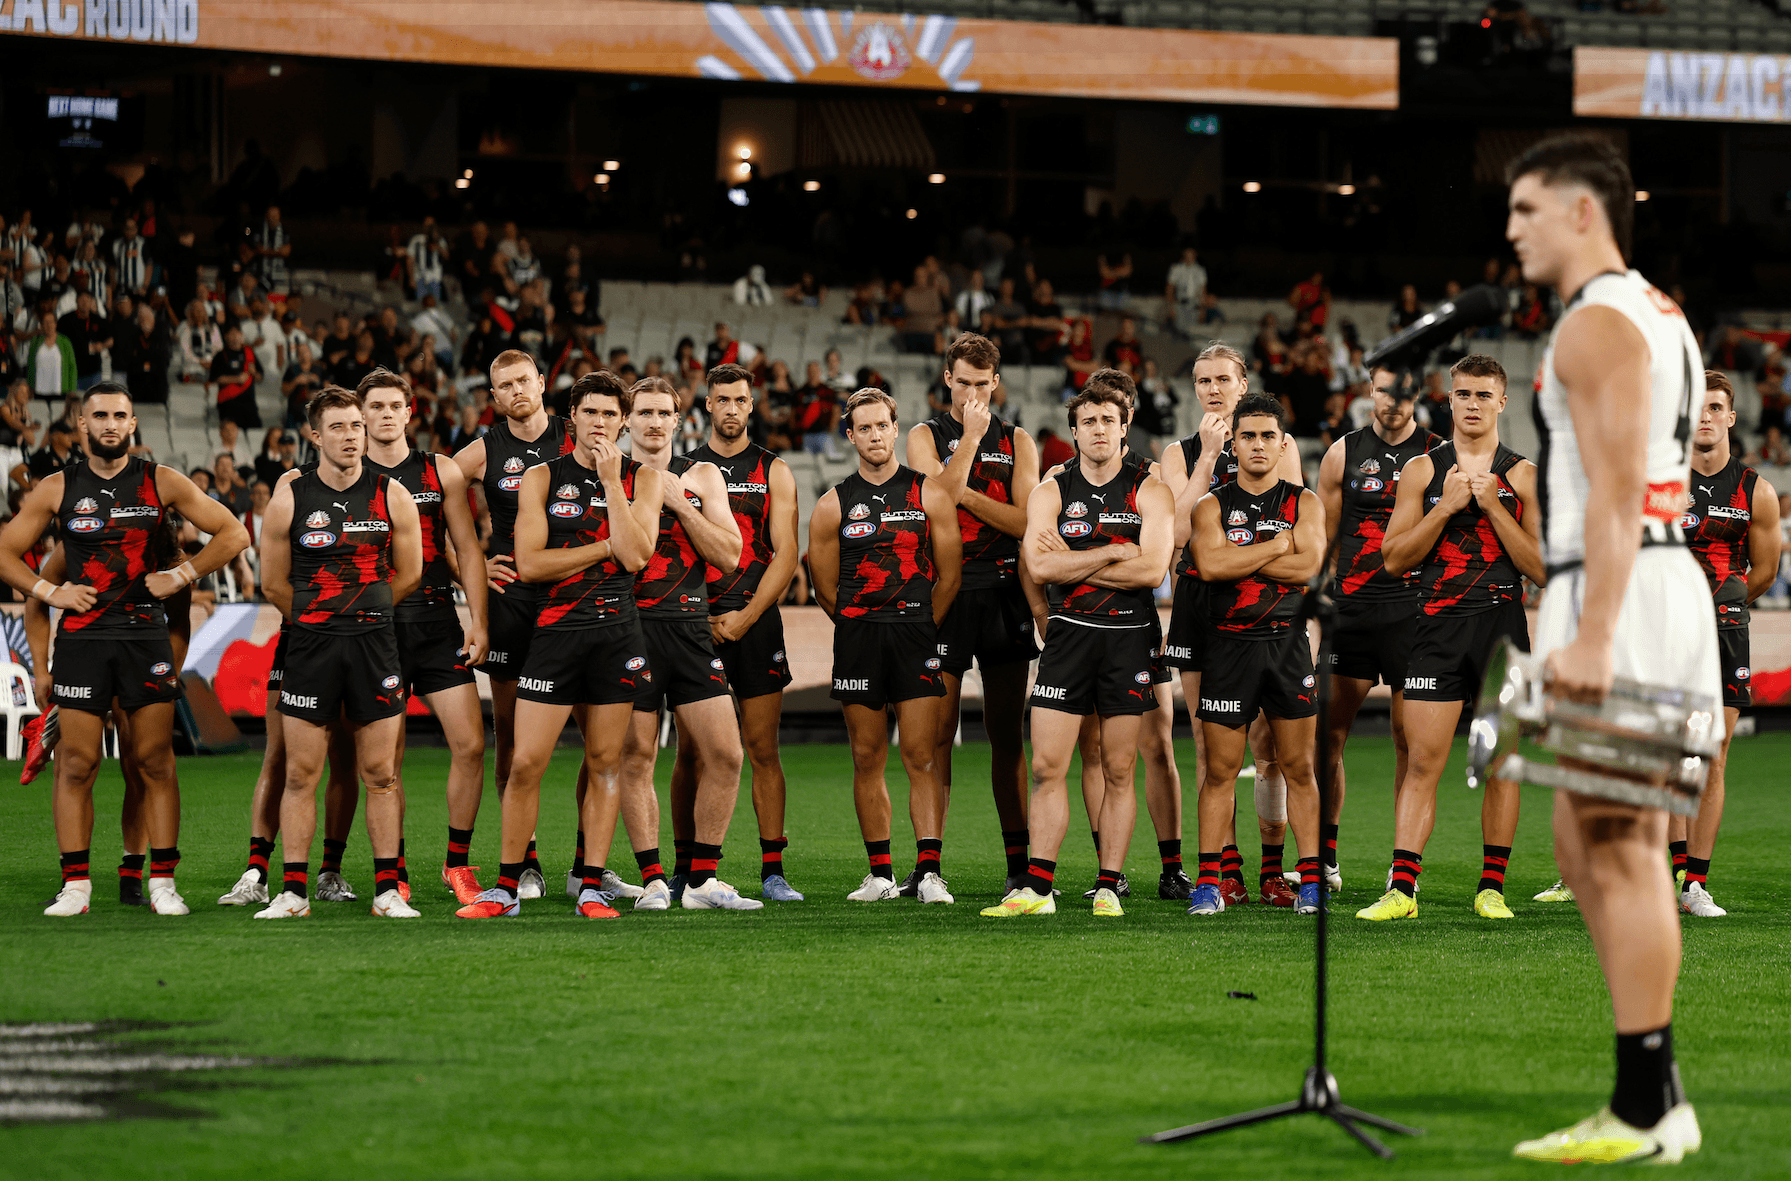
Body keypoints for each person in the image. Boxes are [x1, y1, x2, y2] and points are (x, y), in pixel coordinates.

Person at [1499, 132, 1718, 1165]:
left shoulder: (1595, 323)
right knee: (1582, 847)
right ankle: (1654, 1090)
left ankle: (1646, 1107)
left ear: (1587, 211)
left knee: (1622, 851)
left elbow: (1623, 485)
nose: (1512, 231)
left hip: (1618, 594)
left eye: (1528, 210)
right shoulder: (1658, 312)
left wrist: (1589, 632)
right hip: (1637, 584)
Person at [0, 382, 249, 916]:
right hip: (83, 643)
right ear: (82, 424)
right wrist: (50, 592)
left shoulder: (162, 482)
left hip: (144, 641)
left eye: (120, 415)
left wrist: (182, 573)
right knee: (78, 763)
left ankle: (160, 883)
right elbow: (5, 553)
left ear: (134, 424)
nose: (111, 423)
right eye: (100, 416)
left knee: (153, 762)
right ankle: (76, 888)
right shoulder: (56, 488)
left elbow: (233, 534)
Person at [456, 371, 662, 920]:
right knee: (525, 763)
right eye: (590, 413)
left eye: (610, 415)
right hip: (554, 634)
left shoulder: (644, 477)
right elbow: (531, 564)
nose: (600, 423)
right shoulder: (541, 477)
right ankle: (505, 886)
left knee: (605, 763)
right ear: (573, 417)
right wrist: (602, 549)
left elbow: (638, 555)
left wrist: (613, 484)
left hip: (618, 635)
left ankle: (590, 886)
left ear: (623, 422)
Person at [983, 378, 1172, 917]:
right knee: (1046, 765)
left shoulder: (1149, 488)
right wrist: (1115, 550)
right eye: (1088, 422)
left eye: (1108, 421)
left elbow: (1154, 569)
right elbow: (1040, 567)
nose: (1098, 430)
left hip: (1129, 642)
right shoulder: (1051, 489)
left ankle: (1109, 885)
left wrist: (1078, 561)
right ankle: (1037, 889)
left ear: (1124, 426)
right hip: (1067, 638)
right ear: (1073, 431)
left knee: (1117, 768)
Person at [1366, 354, 1542, 923]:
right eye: (1462, 394)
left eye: (1482, 395)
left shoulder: (1522, 475)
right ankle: (1403, 891)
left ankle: (1491, 888)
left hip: (1501, 629)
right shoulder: (1422, 469)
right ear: (1449, 399)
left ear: (1501, 402)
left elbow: (1541, 568)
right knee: (1422, 762)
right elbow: (1393, 558)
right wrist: (1445, 507)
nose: (1471, 404)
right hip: (1436, 627)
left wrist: (1491, 504)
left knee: (1502, 762)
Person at [253, 385, 423, 919]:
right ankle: (294, 893)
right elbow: (273, 584)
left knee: (380, 773)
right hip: (311, 647)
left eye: (356, 426)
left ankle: (387, 892)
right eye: (339, 428)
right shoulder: (291, 496)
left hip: (375, 645)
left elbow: (411, 572)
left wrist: (364, 612)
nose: (351, 436)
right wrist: (321, 620)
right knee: (302, 773)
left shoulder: (392, 493)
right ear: (315, 435)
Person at [596, 376, 757, 910]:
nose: (654, 422)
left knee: (727, 755)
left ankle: (701, 882)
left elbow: (730, 556)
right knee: (637, 756)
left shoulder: (702, 475)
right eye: (643, 413)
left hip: (689, 628)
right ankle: (654, 881)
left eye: (665, 413)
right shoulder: (606, 473)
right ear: (626, 420)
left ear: (679, 420)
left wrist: (682, 506)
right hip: (627, 627)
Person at [1158, 343, 1304, 906]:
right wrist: (1208, 459)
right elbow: (1175, 531)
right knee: (1209, 745)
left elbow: (1290, 521)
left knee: (1269, 743)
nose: (1213, 389)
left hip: (1264, 600)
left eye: (1223, 379)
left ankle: (1273, 869)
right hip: (1200, 604)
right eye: (1202, 381)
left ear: (1243, 385)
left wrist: (1233, 550)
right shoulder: (1179, 451)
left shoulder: (1277, 445)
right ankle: (1226, 869)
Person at [810, 388, 962, 904]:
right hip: (858, 639)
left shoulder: (930, 494)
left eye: (883, 426)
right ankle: (879, 873)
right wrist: (860, 623)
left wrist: (918, 624)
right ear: (850, 436)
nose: (875, 436)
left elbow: (950, 576)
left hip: (915, 634)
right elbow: (824, 587)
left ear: (896, 429)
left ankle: (928, 873)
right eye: (865, 428)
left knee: (921, 756)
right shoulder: (833, 503)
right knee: (866, 754)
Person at [905, 333, 1040, 894]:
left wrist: (961, 494)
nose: (973, 396)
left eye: (983, 386)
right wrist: (970, 443)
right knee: (937, 734)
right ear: (947, 380)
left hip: (1005, 592)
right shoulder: (922, 435)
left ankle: (1019, 868)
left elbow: (1026, 523)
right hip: (944, 593)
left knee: (1007, 736)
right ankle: (930, 866)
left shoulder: (1020, 441)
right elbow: (931, 496)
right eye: (964, 384)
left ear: (996, 384)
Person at [1183, 394, 1327, 918]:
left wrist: (1244, 559)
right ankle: (1209, 883)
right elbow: (1213, 566)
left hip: (1288, 646)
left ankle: (1309, 882)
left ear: (1283, 443)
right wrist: (1274, 548)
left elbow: (1310, 566)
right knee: (1220, 771)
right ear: (1233, 444)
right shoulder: (1211, 505)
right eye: (1248, 436)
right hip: (1229, 648)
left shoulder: (1304, 502)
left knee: (1298, 768)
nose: (1259, 445)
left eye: (1269, 436)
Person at [673, 364, 803, 900]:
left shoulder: (774, 470)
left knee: (761, 748)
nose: (731, 409)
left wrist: (747, 617)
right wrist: (700, 615)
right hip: (693, 622)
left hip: (756, 620)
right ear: (707, 404)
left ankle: (772, 871)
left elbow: (787, 553)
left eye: (740, 400)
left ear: (753, 406)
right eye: (721, 399)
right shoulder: (683, 471)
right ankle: (687, 868)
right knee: (692, 752)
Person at [361, 370, 491, 905]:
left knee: (471, 744)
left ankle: (456, 865)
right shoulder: (347, 471)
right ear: (362, 415)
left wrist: (479, 621)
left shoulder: (439, 470)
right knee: (383, 764)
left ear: (410, 412)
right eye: (376, 407)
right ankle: (391, 874)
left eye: (396, 405)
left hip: (437, 623)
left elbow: (467, 546)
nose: (386, 415)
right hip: (376, 630)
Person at [1653, 371, 1779, 918]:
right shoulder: (1659, 485)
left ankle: (1695, 885)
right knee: (1668, 753)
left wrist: (1717, 609)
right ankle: (1674, 871)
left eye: (1716, 408)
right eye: (1696, 408)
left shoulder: (1757, 491)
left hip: (1725, 633)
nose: (1705, 417)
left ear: (1730, 417)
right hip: (1665, 634)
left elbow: (1766, 572)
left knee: (1714, 755)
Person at [452, 350, 575, 898]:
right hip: (513, 603)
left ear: (542, 383)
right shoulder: (482, 452)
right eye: (504, 385)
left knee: (599, 741)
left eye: (524, 379)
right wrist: (471, 563)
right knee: (511, 741)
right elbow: (419, 501)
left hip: (577, 599)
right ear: (495, 398)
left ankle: (587, 866)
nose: (516, 390)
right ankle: (525, 861)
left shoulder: (577, 436)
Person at [1313, 366, 1441, 891]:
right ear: (1370, 393)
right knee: (1329, 737)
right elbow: (1322, 537)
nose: (1393, 400)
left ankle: (1401, 863)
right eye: (1384, 389)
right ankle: (1325, 855)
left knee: (1409, 742)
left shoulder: (1439, 454)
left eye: (1403, 390)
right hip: (1353, 612)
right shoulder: (1342, 453)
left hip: (1415, 614)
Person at [210, 323, 263, 430]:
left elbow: (259, 377)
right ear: (225, 336)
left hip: (249, 403)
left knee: (256, 430)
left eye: (237, 333)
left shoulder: (249, 353)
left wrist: (254, 373)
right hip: (229, 402)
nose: (235, 336)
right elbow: (216, 378)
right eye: (232, 333)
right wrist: (236, 379)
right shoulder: (220, 355)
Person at [25, 311, 76, 401]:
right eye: (45, 322)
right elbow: (30, 366)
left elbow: (72, 367)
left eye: (51, 322)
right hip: (39, 391)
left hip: (59, 391)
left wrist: (71, 390)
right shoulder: (35, 342)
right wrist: (29, 388)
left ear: (56, 324)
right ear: (41, 325)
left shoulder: (65, 342)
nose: (48, 325)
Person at [1165, 246, 1208, 339]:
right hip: (1180, 304)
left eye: (1191, 255)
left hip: (1194, 306)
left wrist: (1203, 310)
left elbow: (1203, 291)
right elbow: (1170, 289)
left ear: (1195, 255)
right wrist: (1170, 307)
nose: (1189, 257)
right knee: (1179, 332)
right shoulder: (1176, 268)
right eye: (1187, 254)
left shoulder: (1200, 270)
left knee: (1193, 333)